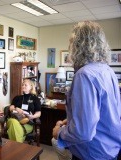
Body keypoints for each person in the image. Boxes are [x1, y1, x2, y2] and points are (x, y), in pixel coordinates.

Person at [52, 21, 121, 159]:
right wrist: (72, 120)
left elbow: (83, 133)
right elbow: (107, 112)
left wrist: (59, 132)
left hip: (92, 153)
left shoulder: (84, 75)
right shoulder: (108, 71)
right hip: (110, 149)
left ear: (77, 45)